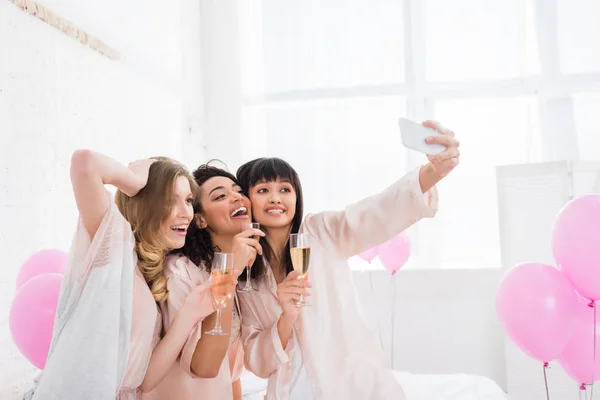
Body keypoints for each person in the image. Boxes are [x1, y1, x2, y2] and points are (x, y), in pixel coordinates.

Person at [236, 121, 460, 399]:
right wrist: (286, 316)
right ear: (245, 200)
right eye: (262, 191)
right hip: (288, 391)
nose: (275, 198)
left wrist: (433, 172)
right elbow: (257, 362)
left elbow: (375, 212)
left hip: (352, 384)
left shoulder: (320, 232)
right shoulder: (246, 275)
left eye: (285, 189)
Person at [27, 151, 216, 399]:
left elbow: (144, 381)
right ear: (145, 204)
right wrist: (135, 180)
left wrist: (190, 313)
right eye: (170, 200)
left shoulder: (147, 274)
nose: (186, 213)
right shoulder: (115, 249)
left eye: (189, 200)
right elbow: (85, 163)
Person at [143, 164, 264, 400]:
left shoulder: (241, 276)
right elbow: (204, 367)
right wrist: (232, 269)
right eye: (220, 195)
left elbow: (231, 375)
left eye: (238, 191)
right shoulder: (179, 272)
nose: (237, 197)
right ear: (199, 220)